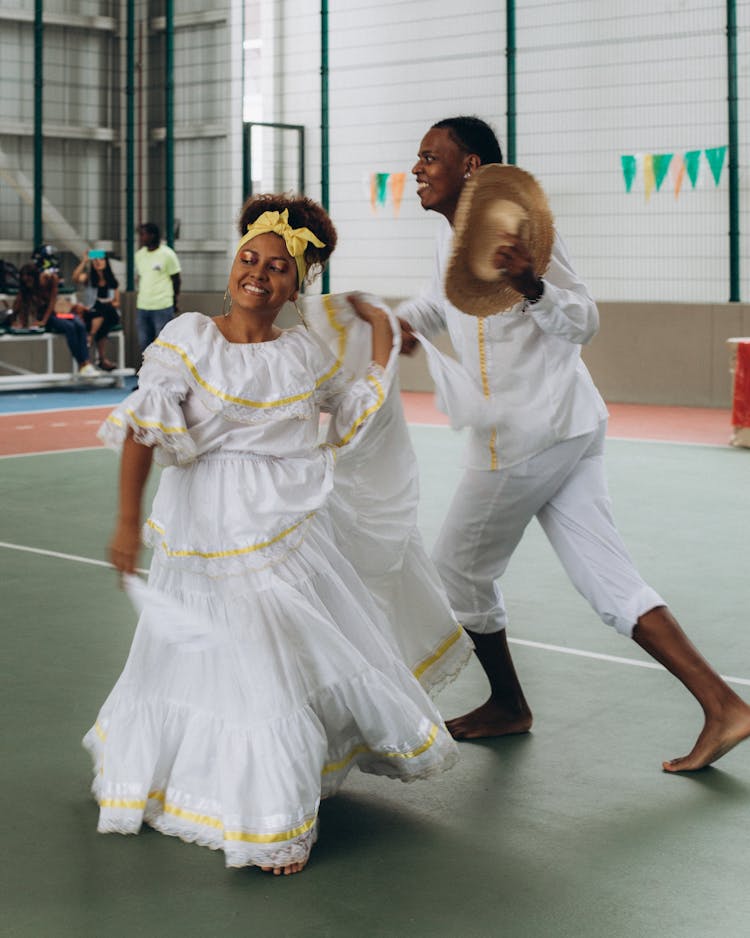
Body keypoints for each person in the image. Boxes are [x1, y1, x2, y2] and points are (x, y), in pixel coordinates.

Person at [84, 194, 472, 875]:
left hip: (284, 527)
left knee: (269, 660)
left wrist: (381, 336)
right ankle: (247, 804)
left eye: (279, 267)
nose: (258, 273)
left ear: (300, 282)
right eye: (248, 258)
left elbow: (352, 416)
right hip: (205, 525)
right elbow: (145, 431)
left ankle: (273, 815)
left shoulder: (302, 353)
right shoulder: (188, 337)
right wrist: (124, 521)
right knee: (220, 659)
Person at [397, 115, 750, 773]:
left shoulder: (520, 238)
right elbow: (431, 303)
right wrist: (394, 327)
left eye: (429, 157)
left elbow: (583, 319)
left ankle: (505, 702)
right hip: (570, 428)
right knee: (609, 582)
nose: (416, 168)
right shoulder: (449, 246)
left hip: (529, 440)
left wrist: (532, 286)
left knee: (456, 568)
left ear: (471, 167)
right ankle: (724, 707)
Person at [10, 251, 98, 377]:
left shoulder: (52, 279)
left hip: (53, 314)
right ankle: (82, 364)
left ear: (35, 277)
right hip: (44, 317)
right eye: (25, 281)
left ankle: (86, 363)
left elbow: (52, 303)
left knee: (79, 324)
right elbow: (19, 307)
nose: (27, 283)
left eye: (29, 280)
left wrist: (44, 321)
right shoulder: (25, 288)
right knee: (70, 327)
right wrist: (17, 322)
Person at [134, 222, 181, 355]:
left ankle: (166, 374)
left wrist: (174, 301)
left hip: (162, 305)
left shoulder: (167, 254)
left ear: (152, 235)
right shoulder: (139, 255)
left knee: (164, 343)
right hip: (143, 305)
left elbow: (176, 279)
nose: (141, 238)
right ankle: (148, 373)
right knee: (144, 343)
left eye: (143, 234)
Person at [71, 250, 121, 371]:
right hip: (92, 313)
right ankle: (102, 359)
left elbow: (117, 302)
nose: (98, 262)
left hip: (108, 313)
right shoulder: (89, 278)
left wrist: (109, 302)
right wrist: (84, 261)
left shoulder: (112, 281)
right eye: (95, 260)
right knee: (102, 313)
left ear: (106, 262)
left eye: (101, 259)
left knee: (106, 309)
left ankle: (90, 336)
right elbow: (75, 277)